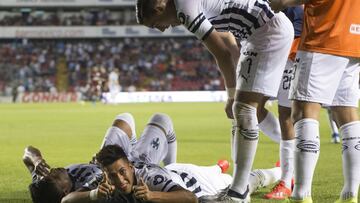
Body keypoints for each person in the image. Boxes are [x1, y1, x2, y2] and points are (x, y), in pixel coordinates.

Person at [136, 1, 293, 202]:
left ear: (159, 7)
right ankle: (246, 183)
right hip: (256, 34)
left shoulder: (185, 10)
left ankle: (239, 192)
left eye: (155, 23)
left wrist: (231, 94)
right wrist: (241, 76)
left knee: (243, 109)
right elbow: (226, 36)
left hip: (268, 32)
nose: (161, 29)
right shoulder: (189, 6)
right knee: (248, 110)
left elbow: (222, 53)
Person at [270, 1, 360, 203]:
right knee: (347, 112)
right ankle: (350, 194)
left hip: (323, 36)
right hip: (354, 39)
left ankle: (301, 194)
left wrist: (275, 3)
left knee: (303, 111)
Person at [24, 112, 178, 203]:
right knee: (161, 120)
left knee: (124, 119)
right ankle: (173, 169)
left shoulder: (43, 186)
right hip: (134, 167)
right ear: (65, 191)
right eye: (54, 177)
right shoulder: (84, 192)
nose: (53, 171)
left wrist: (36, 160)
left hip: (107, 156)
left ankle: (129, 150)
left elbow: (28, 152)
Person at [96, 144, 283, 203]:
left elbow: (190, 198)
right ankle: (219, 165)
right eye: (113, 175)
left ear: (129, 167)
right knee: (210, 169)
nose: (119, 179)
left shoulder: (151, 180)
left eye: (122, 172)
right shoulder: (108, 183)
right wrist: (93, 194)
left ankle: (281, 170)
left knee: (243, 187)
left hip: (203, 185)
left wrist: (152, 195)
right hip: (177, 170)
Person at [263, 5, 304, 200]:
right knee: (250, 107)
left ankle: (287, 181)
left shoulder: (294, 8)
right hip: (273, 55)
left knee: (287, 116)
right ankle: (291, 159)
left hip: (290, 58)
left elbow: (293, 33)